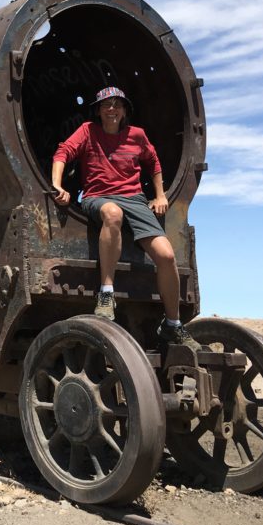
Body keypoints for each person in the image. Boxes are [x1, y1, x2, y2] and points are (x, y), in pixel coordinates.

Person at [51, 86, 201, 349]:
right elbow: (62, 153)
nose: (112, 109)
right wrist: (58, 186)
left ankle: (173, 324)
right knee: (112, 213)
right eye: (106, 105)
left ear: (124, 110)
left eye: (117, 104)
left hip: (135, 200)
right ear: (98, 110)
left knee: (166, 255)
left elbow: (153, 163)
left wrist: (160, 195)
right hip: (97, 197)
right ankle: (106, 293)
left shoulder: (137, 135)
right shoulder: (88, 131)